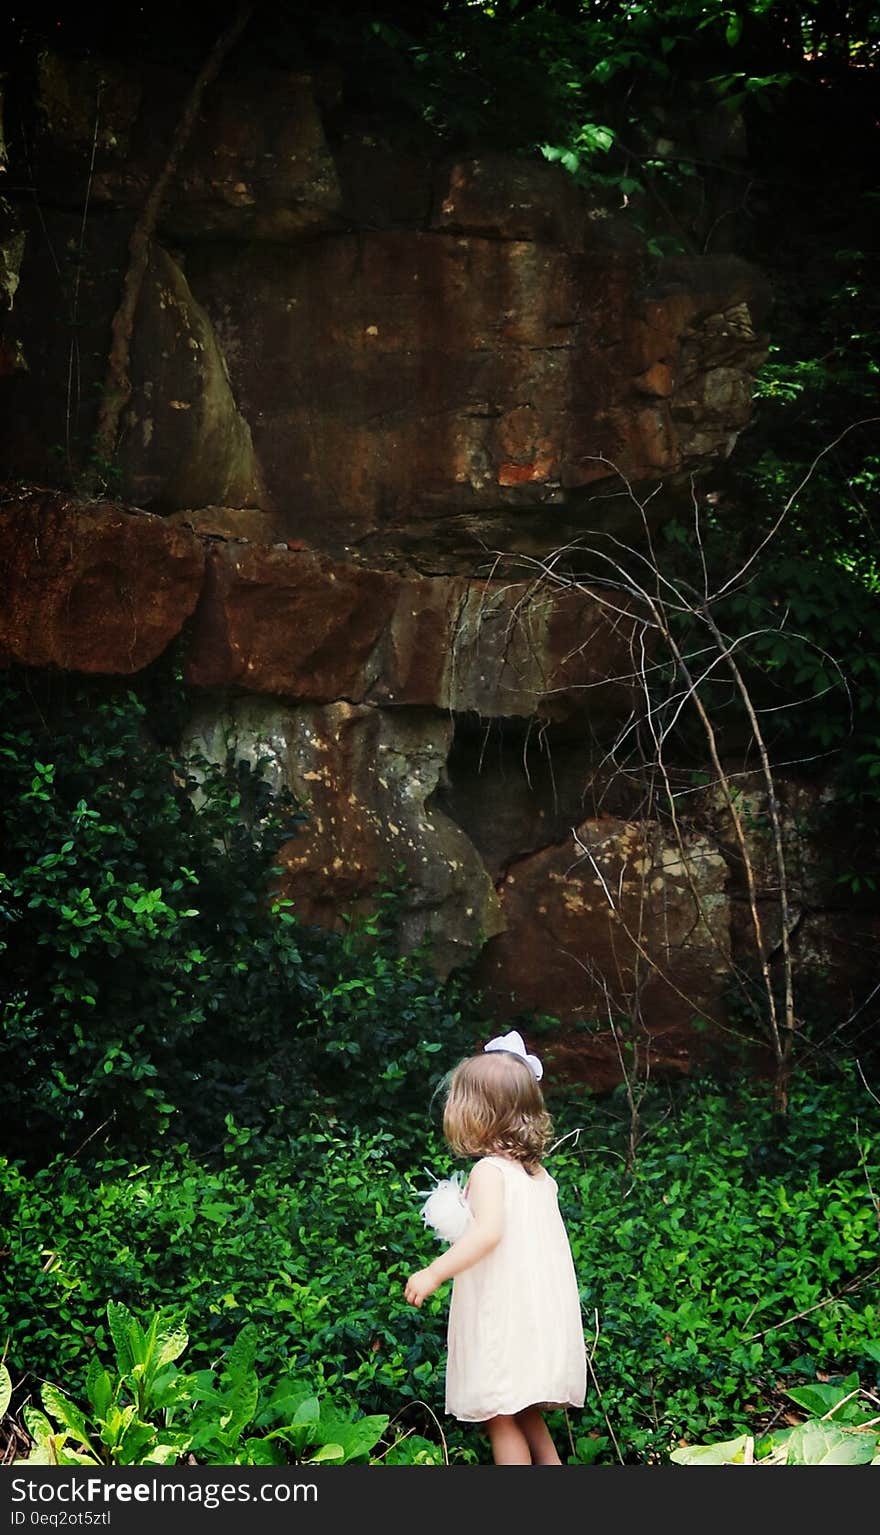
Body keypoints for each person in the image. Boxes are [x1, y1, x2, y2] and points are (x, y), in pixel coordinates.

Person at [404, 1029, 586, 1465]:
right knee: (523, 1411)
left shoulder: (490, 1172)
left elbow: (487, 1235)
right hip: (537, 1314)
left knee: (501, 1415)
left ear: (477, 1113)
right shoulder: (538, 1175)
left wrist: (434, 1272)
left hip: (503, 1317)